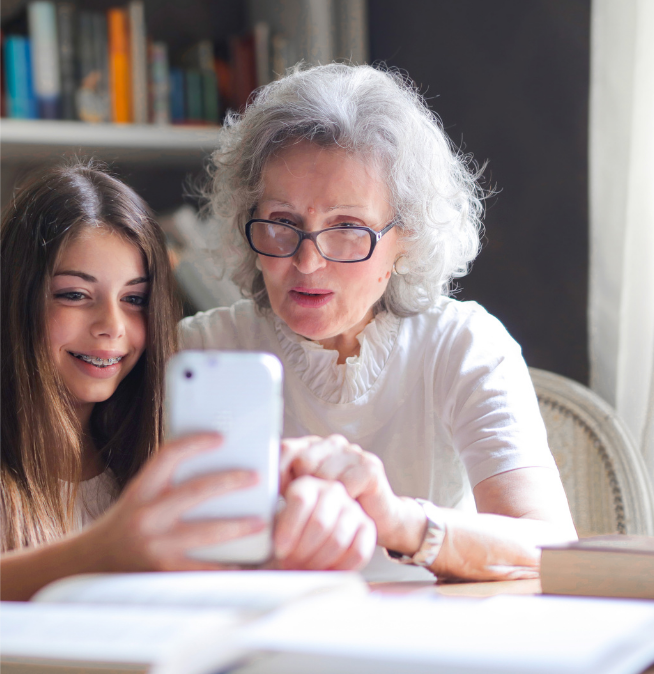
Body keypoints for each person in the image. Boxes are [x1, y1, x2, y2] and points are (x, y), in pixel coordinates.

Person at [180, 63, 578, 581]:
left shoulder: (463, 344)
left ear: (405, 239)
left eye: (347, 228)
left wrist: (397, 520)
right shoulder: (201, 352)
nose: (307, 261)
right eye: (282, 223)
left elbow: (548, 546)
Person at [0, 161, 376, 601]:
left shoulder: (149, 455)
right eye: (75, 295)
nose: (111, 326)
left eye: (135, 299)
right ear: (16, 297)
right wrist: (103, 553)